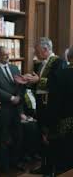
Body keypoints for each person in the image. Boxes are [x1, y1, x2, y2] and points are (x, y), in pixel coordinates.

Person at [19, 37, 67, 175]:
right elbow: (38, 84)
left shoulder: (59, 62)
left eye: (37, 51)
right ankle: (44, 166)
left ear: (46, 49)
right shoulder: (40, 64)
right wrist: (28, 80)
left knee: (50, 138)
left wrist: (39, 79)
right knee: (42, 137)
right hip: (41, 105)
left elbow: (57, 83)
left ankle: (51, 168)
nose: (36, 54)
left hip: (50, 106)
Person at [0, 46, 25, 172]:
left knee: (18, 136)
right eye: (4, 54)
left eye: (8, 54)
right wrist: (11, 97)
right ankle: (5, 165)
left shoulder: (14, 68)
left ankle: (15, 162)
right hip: (4, 109)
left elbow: (20, 85)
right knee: (4, 138)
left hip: (16, 108)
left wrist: (19, 95)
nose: (8, 56)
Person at [46, 45, 73, 174]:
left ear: (69, 57)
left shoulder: (60, 75)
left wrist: (48, 128)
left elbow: (53, 104)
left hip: (64, 126)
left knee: (63, 164)